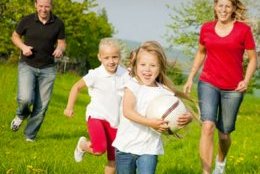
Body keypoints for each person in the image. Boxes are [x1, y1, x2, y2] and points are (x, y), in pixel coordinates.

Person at [183, 0, 257, 174]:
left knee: (224, 134)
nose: (223, 10)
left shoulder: (243, 30)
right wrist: (190, 77)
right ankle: (206, 172)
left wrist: (245, 80)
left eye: (227, 6)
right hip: (208, 82)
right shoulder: (206, 28)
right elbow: (201, 53)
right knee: (207, 126)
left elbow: (253, 58)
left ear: (233, 8)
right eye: (220, 5)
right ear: (215, 7)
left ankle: (220, 164)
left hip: (233, 88)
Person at [113, 41, 193, 174]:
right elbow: (128, 111)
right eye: (143, 65)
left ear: (160, 67)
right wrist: (150, 123)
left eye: (153, 65)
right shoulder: (132, 85)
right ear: (136, 65)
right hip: (125, 148)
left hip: (149, 149)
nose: (147, 70)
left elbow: (180, 109)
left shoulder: (165, 91)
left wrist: (188, 118)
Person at [64, 38, 129, 174]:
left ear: (119, 57)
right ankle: (82, 145)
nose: (111, 61)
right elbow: (76, 87)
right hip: (96, 116)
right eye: (106, 58)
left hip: (116, 122)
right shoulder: (95, 74)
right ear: (100, 57)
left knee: (113, 159)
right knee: (99, 149)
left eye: (115, 57)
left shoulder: (125, 74)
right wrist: (69, 107)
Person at [10, 0, 66, 142]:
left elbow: (61, 42)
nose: (43, 9)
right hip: (27, 65)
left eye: (46, 6)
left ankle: (30, 136)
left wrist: (60, 49)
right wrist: (23, 47)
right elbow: (15, 36)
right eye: (40, 6)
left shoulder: (58, 23)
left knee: (42, 106)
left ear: (51, 6)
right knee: (25, 98)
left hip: (48, 69)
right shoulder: (27, 20)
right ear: (35, 5)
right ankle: (21, 114)